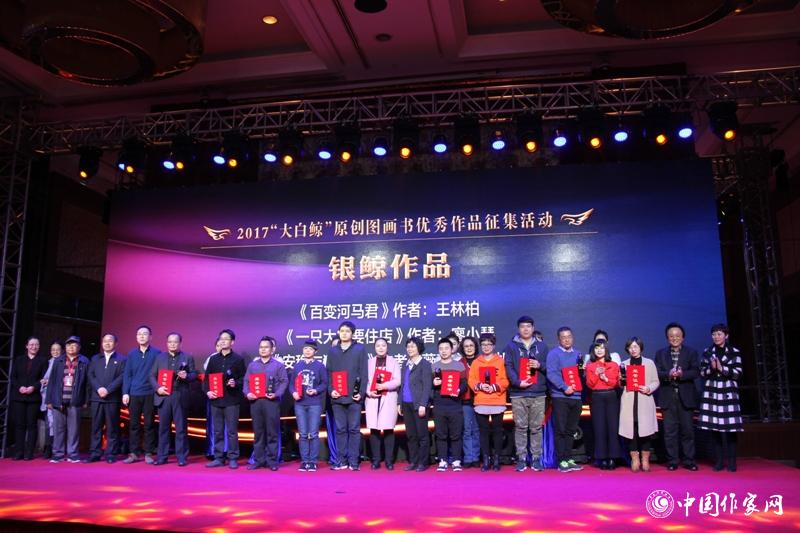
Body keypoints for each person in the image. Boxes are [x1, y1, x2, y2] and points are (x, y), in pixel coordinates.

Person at [503, 315, 549, 472]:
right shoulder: (511, 346)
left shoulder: (542, 346)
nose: (526, 329)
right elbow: (508, 366)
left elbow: (549, 367)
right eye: (523, 326)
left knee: (536, 428)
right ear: (518, 329)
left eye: (528, 326)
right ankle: (521, 459)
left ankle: (536, 459)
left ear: (533, 328)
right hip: (518, 393)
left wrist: (540, 365)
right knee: (520, 427)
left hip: (538, 393)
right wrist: (517, 382)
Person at [655, 322, 700, 471]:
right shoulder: (661, 354)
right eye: (671, 336)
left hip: (686, 397)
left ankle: (689, 460)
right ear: (667, 338)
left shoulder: (691, 352)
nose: (674, 338)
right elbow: (657, 373)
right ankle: (672, 461)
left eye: (677, 336)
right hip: (668, 396)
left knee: (688, 431)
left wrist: (682, 374)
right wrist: (668, 374)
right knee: (669, 432)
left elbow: (696, 371)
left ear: (683, 337)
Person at [698, 324, 744, 472]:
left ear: (726, 335)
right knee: (715, 430)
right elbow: (702, 373)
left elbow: (738, 373)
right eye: (714, 334)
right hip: (712, 392)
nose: (716, 337)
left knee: (730, 430)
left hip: (728, 392)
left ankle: (732, 462)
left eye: (719, 334)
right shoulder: (707, 352)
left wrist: (721, 368)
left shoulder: (734, 352)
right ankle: (718, 461)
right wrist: (711, 368)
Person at [326, 321, 369, 470]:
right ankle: (341, 460)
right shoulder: (332, 351)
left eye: (347, 331)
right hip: (337, 397)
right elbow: (329, 373)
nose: (344, 333)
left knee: (354, 429)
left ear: (352, 333)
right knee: (340, 430)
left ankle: (353, 461)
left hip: (354, 397)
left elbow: (364, 373)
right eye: (342, 331)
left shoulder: (360, 349)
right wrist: (331, 390)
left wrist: (361, 393)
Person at [150, 332, 196, 467]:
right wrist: (158, 388)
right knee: (163, 428)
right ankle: (162, 457)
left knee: (181, 428)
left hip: (179, 395)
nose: (172, 344)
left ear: (180, 343)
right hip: (164, 396)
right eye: (170, 342)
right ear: (167, 343)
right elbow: (151, 376)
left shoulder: (187, 357)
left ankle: (181, 457)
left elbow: (194, 374)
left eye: (175, 342)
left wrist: (187, 376)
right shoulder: (159, 357)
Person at [244, 336, 287, 471]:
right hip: (256, 402)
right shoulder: (252, 365)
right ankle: (259, 460)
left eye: (266, 347)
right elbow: (246, 382)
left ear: (272, 349)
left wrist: (277, 394)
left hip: (271, 402)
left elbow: (284, 381)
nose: (263, 350)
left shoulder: (278, 365)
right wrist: (247, 393)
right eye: (261, 347)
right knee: (258, 432)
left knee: (272, 432)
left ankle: (272, 461)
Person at [204, 329, 246, 469]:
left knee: (232, 431)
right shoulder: (213, 359)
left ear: (232, 342)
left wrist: (235, 383)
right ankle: (218, 457)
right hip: (216, 400)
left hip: (232, 400)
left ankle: (233, 457)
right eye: (221, 338)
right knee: (217, 430)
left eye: (226, 339)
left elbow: (244, 379)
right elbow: (206, 379)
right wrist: (208, 391)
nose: (222, 341)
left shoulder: (238, 359)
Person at [468, 333, 509, 472]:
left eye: (489, 344)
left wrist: (494, 387)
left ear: (494, 345)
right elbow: (471, 380)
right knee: (483, 432)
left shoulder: (500, 361)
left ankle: (497, 459)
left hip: (497, 400)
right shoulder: (476, 362)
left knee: (497, 431)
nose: (486, 347)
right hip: (481, 400)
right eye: (483, 344)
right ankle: (486, 459)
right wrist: (480, 385)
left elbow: (505, 380)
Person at [546, 326, 584, 473]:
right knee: (560, 430)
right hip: (560, 396)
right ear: (559, 339)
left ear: (572, 338)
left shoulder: (578, 354)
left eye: (569, 336)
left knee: (571, 430)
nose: (567, 339)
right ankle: (561, 460)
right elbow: (551, 374)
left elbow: (579, 375)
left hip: (576, 396)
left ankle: (568, 459)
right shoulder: (553, 354)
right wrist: (564, 387)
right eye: (563, 337)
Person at [45, 336, 89, 463]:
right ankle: (58, 454)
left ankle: (73, 454)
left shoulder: (84, 361)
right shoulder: (58, 361)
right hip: (58, 399)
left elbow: (87, 384)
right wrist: (48, 400)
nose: (71, 347)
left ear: (79, 347)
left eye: (74, 345)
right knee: (58, 429)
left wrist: (86, 400)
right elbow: (52, 381)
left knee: (74, 429)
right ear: (65, 347)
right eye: (69, 345)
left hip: (75, 400)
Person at [619, 337, 659, 472]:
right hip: (629, 400)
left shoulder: (649, 363)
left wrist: (648, 388)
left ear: (640, 348)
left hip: (644, 399)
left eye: (635, 346)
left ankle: (645, 458)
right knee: (632, 430)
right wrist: (621, 380)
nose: (633, 349)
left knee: (645, 431)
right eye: (630, 347)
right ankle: (635, 458)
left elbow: (656, 381)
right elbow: (620, 384)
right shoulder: (624, 364)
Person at [122, 326, 160, 464]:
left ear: (150, 337)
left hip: (149, 393)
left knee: (149, 424)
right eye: (139, 334)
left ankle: (148, 452)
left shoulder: (157, 353)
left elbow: (159, 373)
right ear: (136, 337)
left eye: (145, 334)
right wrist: (125, 392)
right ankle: (134, 453)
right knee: (134, 425)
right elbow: (127, 374)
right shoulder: (132, 354)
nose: (142, 336)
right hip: (134, 393)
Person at [85, 334, 126, 463]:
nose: (107, 343)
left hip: (112, 398)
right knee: (96, 427)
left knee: (112, 427)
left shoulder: (122, 359)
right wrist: (98, 388)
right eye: (105, 341)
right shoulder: (95, 358)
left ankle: (111, 454)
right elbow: (90, 375)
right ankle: (95, 453)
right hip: (97, 398)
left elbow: (122, 377)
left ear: (116, 343)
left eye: (110, 341)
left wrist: (108, 390)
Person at [290, 340, 328, 472]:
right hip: (300, 404)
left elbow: (325, 383)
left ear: (315, 352)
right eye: (305, 348)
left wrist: (316, 390)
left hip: (314, 404)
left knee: (313, 433)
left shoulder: (320, 366)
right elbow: (291, 384)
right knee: (303, 434)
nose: (307, 351)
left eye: (310, 349)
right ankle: (304, 461)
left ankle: (313, 461)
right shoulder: (297, 366)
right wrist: (293, 392)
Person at [432, 338, 467, 471]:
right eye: (441, 349)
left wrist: (459, 390)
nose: (444, 351)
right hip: (439, 405)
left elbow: (464, 384)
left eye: (446, 348)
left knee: (456, 434)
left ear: (452, 349)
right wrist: (433, 383)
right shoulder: (434, 366)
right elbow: (429, 386)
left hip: (455, 404)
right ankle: (443, 460)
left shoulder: (459, 366)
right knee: (441, 434)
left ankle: (456, 460)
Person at [365, 338, 400, 470]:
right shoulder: (369, 362)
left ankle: (389, 460)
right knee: (374, 430)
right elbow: (365, 381)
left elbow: (397, 381)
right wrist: (369, 392)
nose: (380, 348)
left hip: (388, 397)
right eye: (378, 346)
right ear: (374, 348)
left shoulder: (393, 362)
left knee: (388, 430)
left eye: (383, 345)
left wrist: (384, 385)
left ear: (387, 347)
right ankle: (376, 460)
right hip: (373, 398)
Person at [585, 341, 621, 470]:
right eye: (596, 348)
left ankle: (613, 457)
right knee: (599, 427)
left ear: (606, 350)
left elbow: (615, 383)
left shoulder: (613, 365)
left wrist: (605, 378)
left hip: (611, 396)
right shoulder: (590, 366)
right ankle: (602, 457)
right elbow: (590, 384)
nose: (599, 350)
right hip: (596, 396)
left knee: (612, 427)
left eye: (602, 348)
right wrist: (596, 374)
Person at [11, 337, 47, 460]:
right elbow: (13, 377)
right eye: (31, 344)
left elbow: (43, 378)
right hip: (19, 396)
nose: (34, 347)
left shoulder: (43, 361)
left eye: (36, 345)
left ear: (39, 347)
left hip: (34, 397)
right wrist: (19, 387)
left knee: (32, 425)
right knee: (19, 425)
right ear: (26, 346)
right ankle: (18, 452)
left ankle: (29, 452)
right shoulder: (19, 359)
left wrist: (34, 387)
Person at [400, 337, 432, 472]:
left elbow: (427, 386)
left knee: (422, 435)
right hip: (406, 403)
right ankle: (413, 461)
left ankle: (423, 462)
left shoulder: (425, 364)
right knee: (411, 435)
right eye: (408, 346)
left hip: (419, 404)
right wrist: (399, 403)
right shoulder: (405, 364)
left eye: (413, 346)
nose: (410, 349)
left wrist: (423, 404)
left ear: (419, 348)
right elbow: (402, 385)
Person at [458, 336, 480, 468]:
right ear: (462, 348)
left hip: (480, 400)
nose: (469, 348)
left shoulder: (481, 361)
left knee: (476, 430)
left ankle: (476, 457)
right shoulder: (459, 363)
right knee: (466, 430)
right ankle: (468, 457)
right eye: (466, 346)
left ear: (475, 347)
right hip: (465, 401)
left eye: (471, 345)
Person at [40, 341, 63, 459]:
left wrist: (50, 381)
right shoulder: (48, 362)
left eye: (57, 349)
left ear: (62, 351)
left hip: (57, 397)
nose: (55, 352)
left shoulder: (63, 363)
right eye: (53, 349)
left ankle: (57, 449)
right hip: (46, 397)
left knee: (57, 425)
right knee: (48, 424)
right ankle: (48, 447)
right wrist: (43, 381)